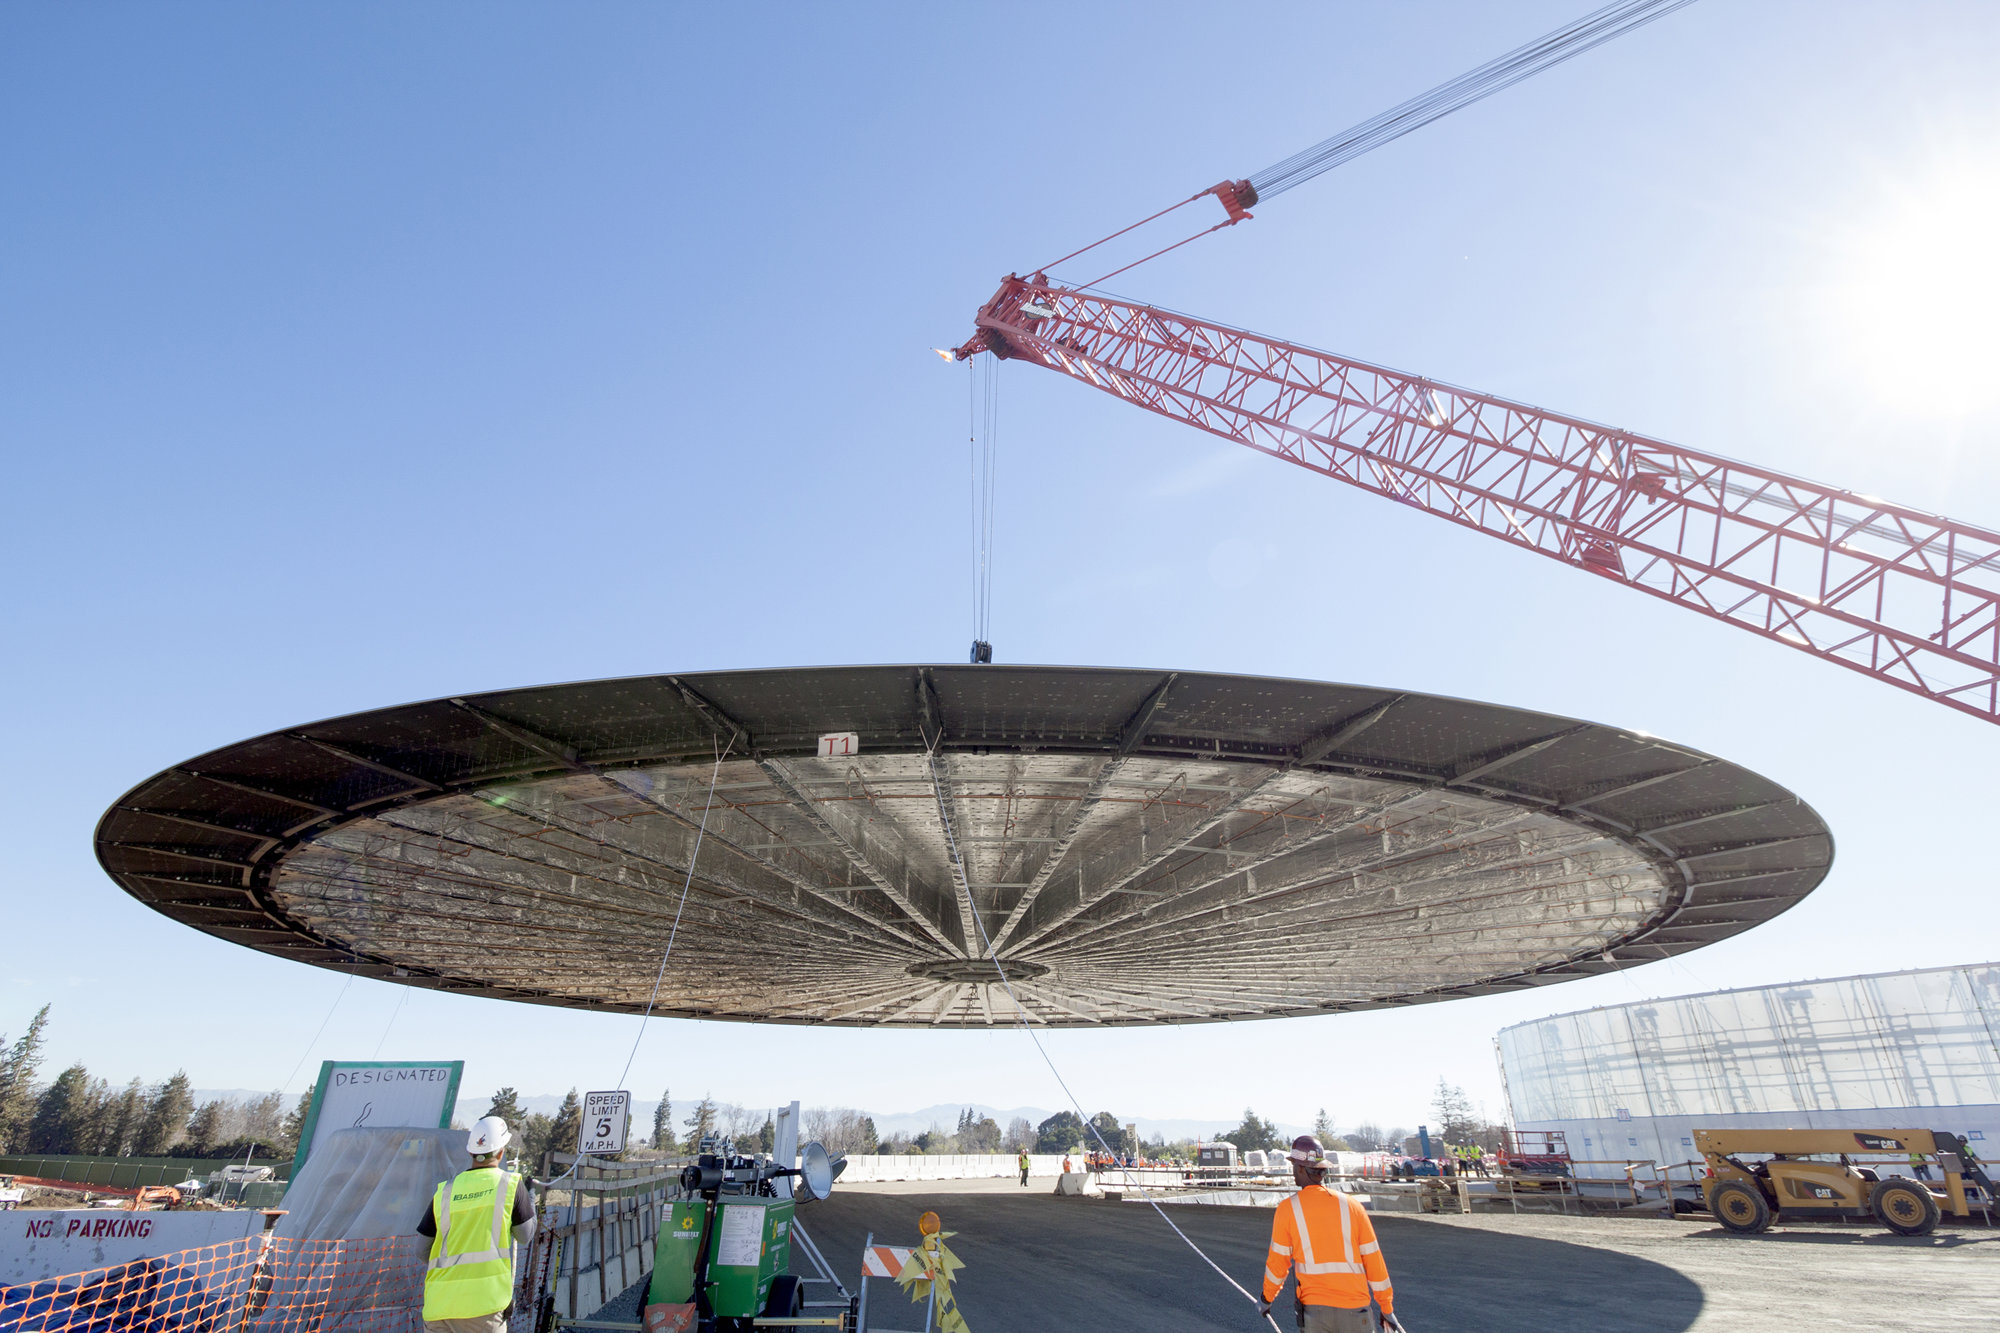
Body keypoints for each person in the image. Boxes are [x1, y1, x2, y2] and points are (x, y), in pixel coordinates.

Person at [1259, 1135, 1395, 1333]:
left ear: (1299, 1168)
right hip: (1356, 1312)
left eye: (1294, 1167)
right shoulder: (1353, 1206)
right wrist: (1386, 1307)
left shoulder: (1287, 1209)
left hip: (1316, 1315)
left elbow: (1277, 1264)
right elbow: (1374, 1261)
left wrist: (1266, 1299)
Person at [418, 1117, 537, 1333]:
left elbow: (421, 1251)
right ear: (501, 1152)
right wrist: (531, 1200)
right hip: (484, 1308)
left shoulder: (445, 1192)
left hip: (438, 1307)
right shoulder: (510, 1186)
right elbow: (525, 1235)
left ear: (471, 1152)